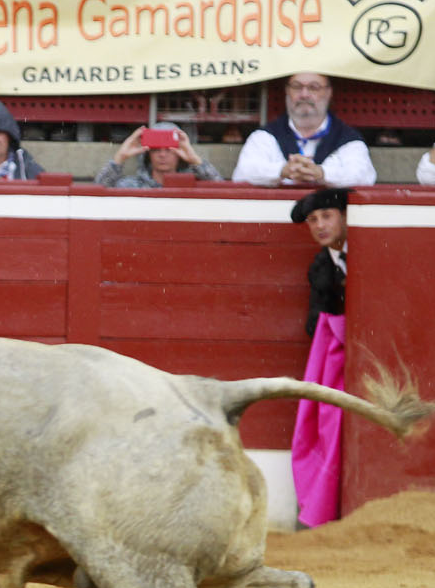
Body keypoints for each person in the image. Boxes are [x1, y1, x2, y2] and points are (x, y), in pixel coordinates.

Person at [288, 187, 352, 529]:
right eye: (313, 220)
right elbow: (317, 326)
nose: (320, 226)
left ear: (343, 217)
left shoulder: (366, 254)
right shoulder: (321, 266)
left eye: (326, 216)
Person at [231, 73, 376, 188]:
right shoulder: (264, 137)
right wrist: (282, 171)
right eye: (297, 86)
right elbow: (242, 173)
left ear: (329, 92)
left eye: (314, 87)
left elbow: (364, 177)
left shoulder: (349, 139)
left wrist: (321, 173)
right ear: (287, 91)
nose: (304, 94)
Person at [93, 122, 222, 188]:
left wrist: (194, 159)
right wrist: (120, 157)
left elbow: (222, 191)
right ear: (148, 154)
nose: (162, 155)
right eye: (155, 150)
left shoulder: (191, 185)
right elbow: (96, 192)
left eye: (169, 150)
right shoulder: (132, 186)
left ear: (179, 154)